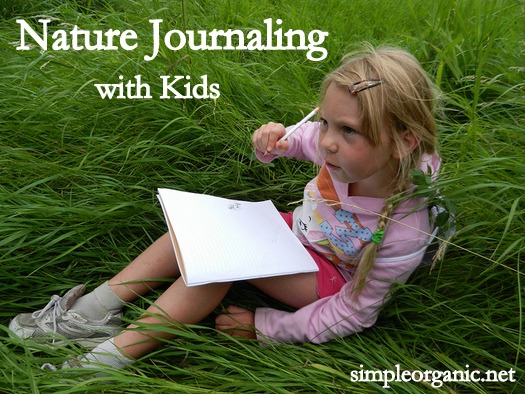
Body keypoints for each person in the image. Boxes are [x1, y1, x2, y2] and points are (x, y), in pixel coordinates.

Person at [9, 45, 441, 371]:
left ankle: (101, 364)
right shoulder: (340, 152)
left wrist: (265, 326)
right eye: (326, 120)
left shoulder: (406, 225)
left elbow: (354, 311)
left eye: (349, 130)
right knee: (198, 226)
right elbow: (302, 140)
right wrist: (275, 141)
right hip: (302, 233)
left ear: (405, 140)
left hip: (331, 277)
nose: (327, 140)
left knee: (218, 264)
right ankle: (95, 310)